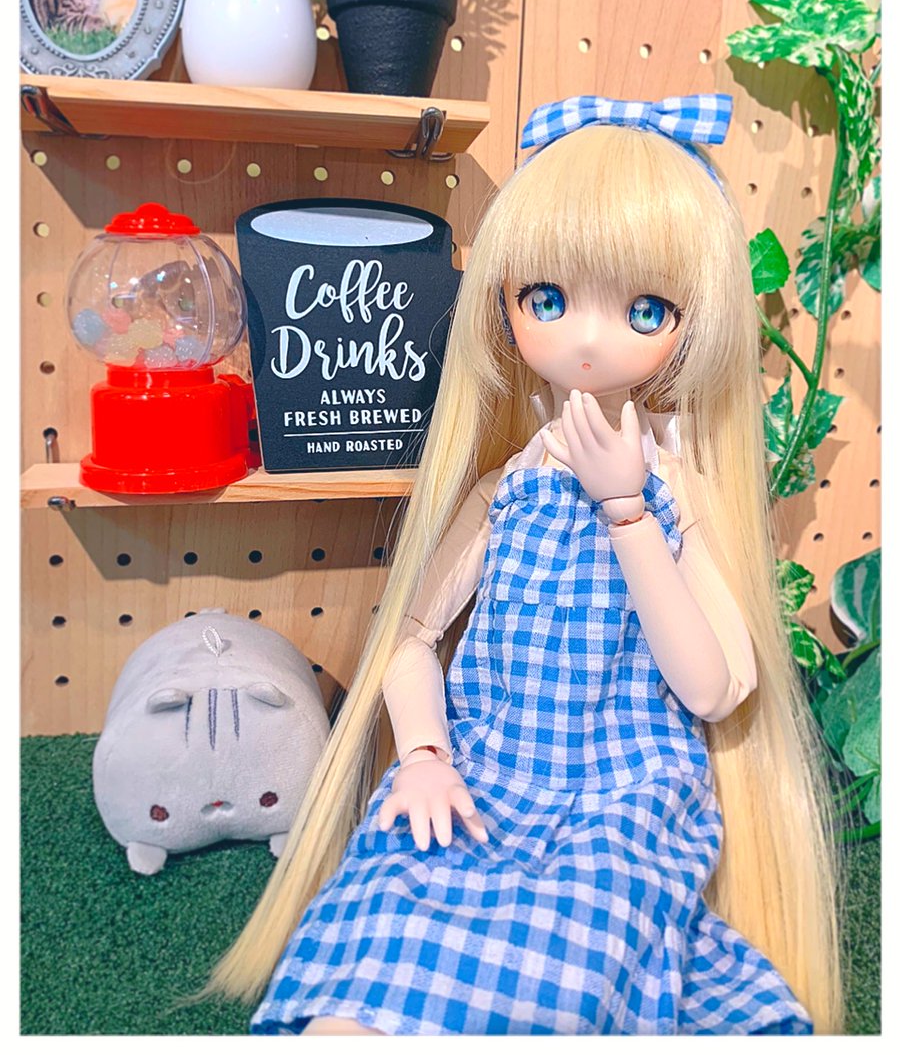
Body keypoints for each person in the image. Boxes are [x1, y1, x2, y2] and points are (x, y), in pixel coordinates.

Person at [205, 95, 842, 1035]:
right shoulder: (505, 491)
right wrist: (425, 755)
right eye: (547, 299)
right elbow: (410, 637)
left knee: (565, 962)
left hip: (623, 802)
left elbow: (713, 691)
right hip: (484, 774)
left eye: (645, 309)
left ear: (692, 322)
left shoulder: (677, 495)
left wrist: (627, 510)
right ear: (504, 306)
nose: (587, 339)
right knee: (380, 926)